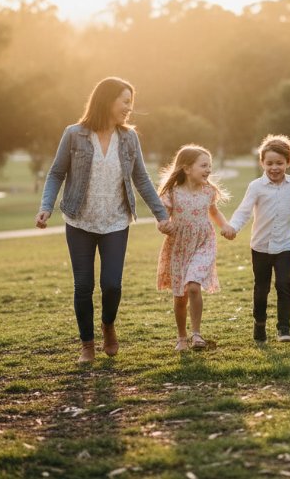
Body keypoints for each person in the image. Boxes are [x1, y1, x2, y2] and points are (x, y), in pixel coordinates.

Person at [35, 77, 172, 364]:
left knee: (111, 285)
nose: (129, 108)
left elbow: (142, 179)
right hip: (79, 221)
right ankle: (87, 344)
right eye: (125, 101)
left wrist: (161, 214)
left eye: (130, 102)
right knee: (83, 286)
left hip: (115, 221)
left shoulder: (129, 138)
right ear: (106, 100)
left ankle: (108, 324)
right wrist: (46, 206)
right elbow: (56, 173)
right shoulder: (74, 134)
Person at [223, 135, 290, 343]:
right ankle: (259, 325)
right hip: (261, 246)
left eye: (279, 163)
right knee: (262, 288)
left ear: (288, 162)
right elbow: (244, 211)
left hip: (285, 245)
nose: (274, 168)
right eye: (269, 163)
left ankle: (284, 328)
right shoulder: (256, 186)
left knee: (284, 284)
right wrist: (233, 227)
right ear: (262, 163)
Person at [156, 144, 232, 351]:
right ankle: (182, 337)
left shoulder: (208, 191)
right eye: (204, 165)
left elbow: (214, 212)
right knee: (180, 296)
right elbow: (162, 216)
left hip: (203, 243)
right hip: (179, 245)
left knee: (193, 286)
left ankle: (196, 335)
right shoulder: (173, 192)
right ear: (187, 168)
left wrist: (224, 225)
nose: (209, 170)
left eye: (210, 166)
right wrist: (163, 225)